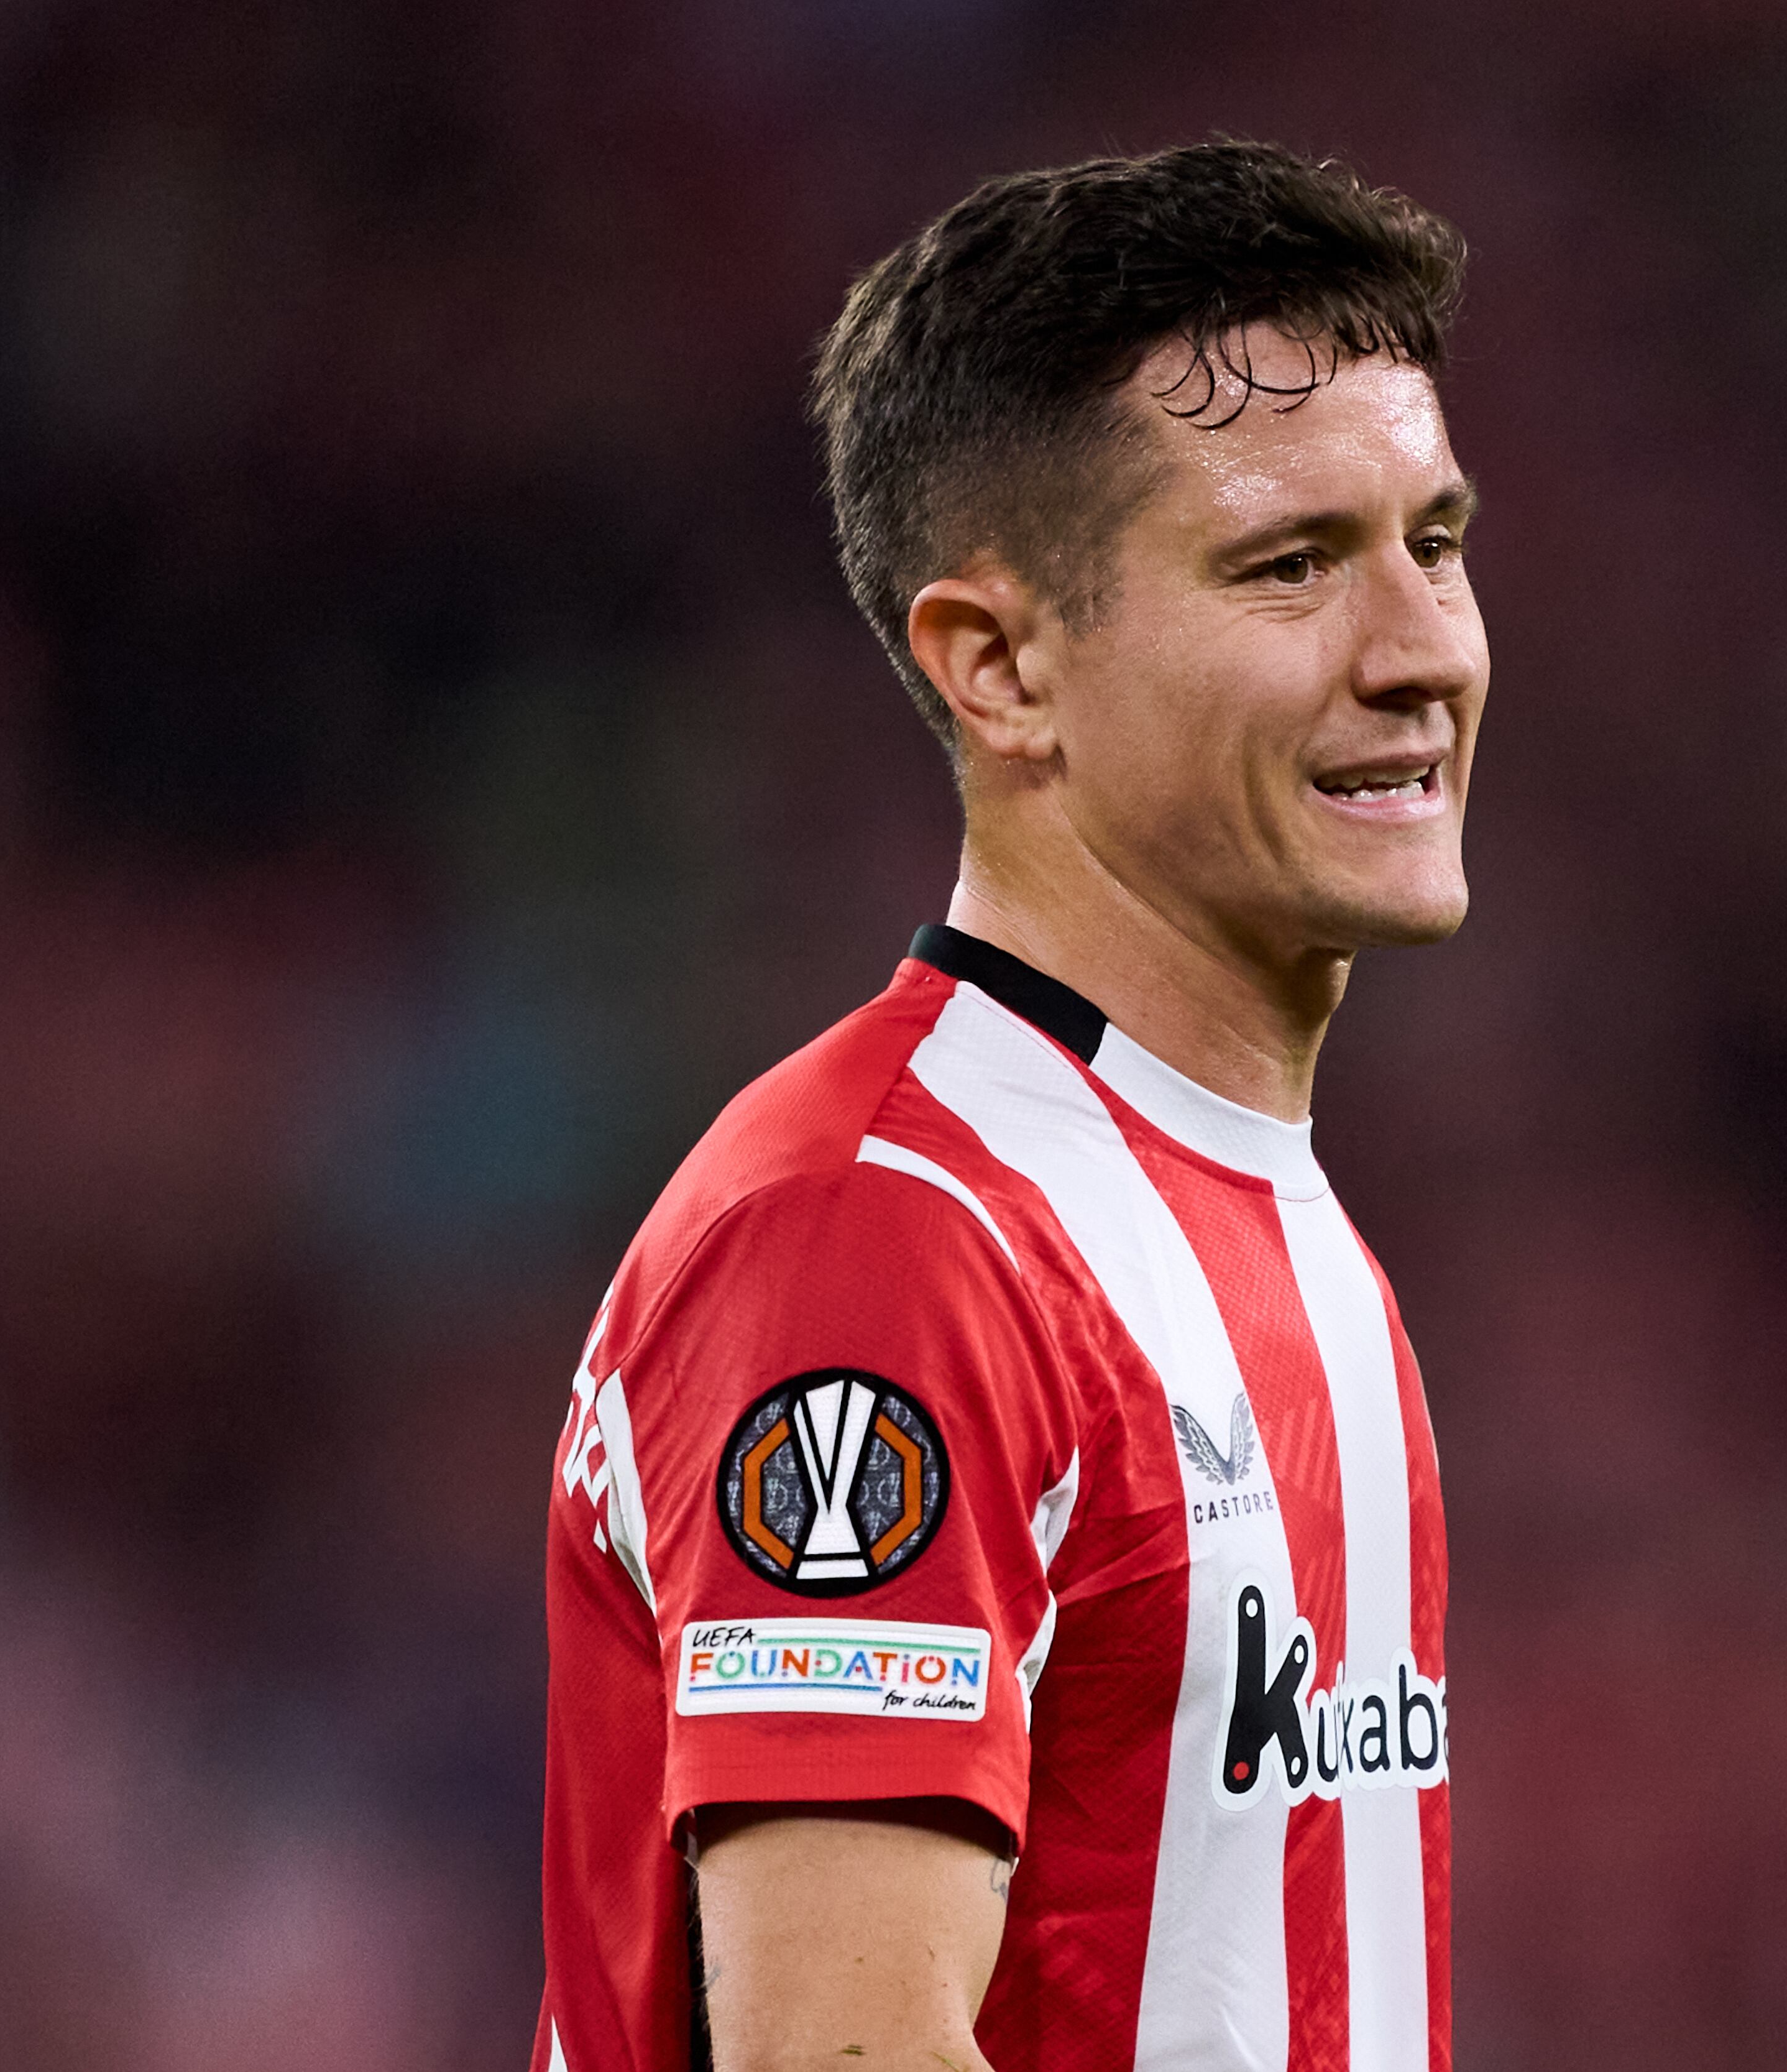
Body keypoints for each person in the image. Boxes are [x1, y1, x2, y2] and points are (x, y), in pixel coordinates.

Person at [534, 142, 1486, 2072]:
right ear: (1000, 668)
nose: (1421, 653)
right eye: (1292, 565)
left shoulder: (1273, 1219)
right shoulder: (888, 1239)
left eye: (1437, 542)